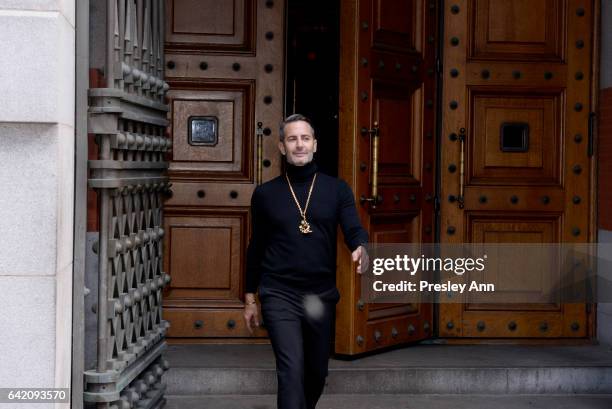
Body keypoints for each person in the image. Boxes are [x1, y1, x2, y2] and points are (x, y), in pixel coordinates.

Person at [243, 114, 368, 409]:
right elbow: (256, 246)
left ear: (315, 145)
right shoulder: (265, 194)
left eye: (305, 138)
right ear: (282, 147)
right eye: (292, 139)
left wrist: (360, 245)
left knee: (316, 372)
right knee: (290, 370)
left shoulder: (336, 189)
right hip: (279, 293)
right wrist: (250, 297)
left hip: (318, 296)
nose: (299, 145)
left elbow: (352, 226)